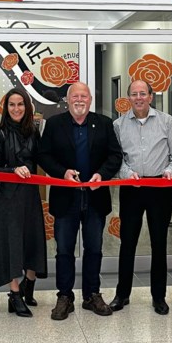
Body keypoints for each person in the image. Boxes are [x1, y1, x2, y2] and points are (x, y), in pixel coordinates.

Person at [37, 81, 123, 320]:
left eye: (84, 96)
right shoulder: (54, 124)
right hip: (66, 198)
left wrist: (102, 175)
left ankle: (91, 295)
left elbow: (115, 155)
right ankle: (65, 296)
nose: (79, 100)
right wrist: (62, 171)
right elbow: (43, 155)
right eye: (75, 96)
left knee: (94, 249)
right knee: (64, 250)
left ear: (90, 100)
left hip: (95, 198)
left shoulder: (104, 124)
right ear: (68, 99)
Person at [109, 79, 172, 315]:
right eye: (134, 94)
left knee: (159, 243)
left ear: (151, 96)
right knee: (127, 243)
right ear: (128, 98)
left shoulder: (167, 121)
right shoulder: (118, 125)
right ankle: (122, 295)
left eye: (143, 93)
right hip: (131, 189)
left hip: (160, 189)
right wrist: (127, 173)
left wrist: (170, 171)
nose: (138, 97)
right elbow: (116, 159)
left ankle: (159, 297)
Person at [0, 88, 47, 317]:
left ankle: (28, 287)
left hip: (30, 196)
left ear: (27, 107)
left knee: (33, 240)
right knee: (12, 245)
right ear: (5, 108)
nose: (16, 109)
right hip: (9, 198)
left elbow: (43, 158)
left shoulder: (33, 131)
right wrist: (13, 169)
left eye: (20, 104)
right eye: (11, 104)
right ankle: (14, 294)